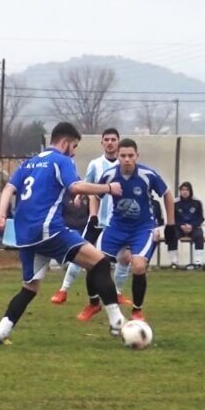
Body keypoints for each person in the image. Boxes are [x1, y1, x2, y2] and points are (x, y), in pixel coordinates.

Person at [0, 122, 126, 346]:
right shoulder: (61, 160)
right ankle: (117, 320)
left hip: (25, 235)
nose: (74, 152)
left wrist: (1, 216)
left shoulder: (29, 163)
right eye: (74, 146)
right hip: (48, 230)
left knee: (29, 288)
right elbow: (75, 186)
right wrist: (108, 188)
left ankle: (0, 333)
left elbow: (8, 189)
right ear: (65, 143)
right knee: (100, 263)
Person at [50, 128, 133, 308]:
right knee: (81, 252)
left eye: (113, 139)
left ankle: (117, 293)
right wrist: (81, 198)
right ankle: (63, 289)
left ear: (118, 142)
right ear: (102, 143)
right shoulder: (96, 164)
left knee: (125, 258)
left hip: (119, 222)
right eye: (106, 139)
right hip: (98, 220)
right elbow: (85, 183)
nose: (110, 143)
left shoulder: (126, 167)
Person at [95, 138, 175, 322]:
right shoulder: (109, 175)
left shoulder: (148, 175)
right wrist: (93, 217)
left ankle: (137, 310)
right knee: (96, 263)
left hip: (142, 228)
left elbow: (167, 194)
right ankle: (98, 304)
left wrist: (171, 224)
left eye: (130, 155)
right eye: (123, 155)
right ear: (117, 156)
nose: (127, 159)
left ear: (137, 156)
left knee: (138, 266)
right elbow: (96, 195)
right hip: (116, 227)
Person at [166, 181, 205, 270]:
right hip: (179, 227)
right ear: (180, 191)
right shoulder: (175, 202)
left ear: (190, 191)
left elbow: (201, 218)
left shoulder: (197, 202)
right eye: (182, 190)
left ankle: (199, 262)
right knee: (172, 233)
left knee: (199, 235)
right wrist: (181, 225)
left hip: (193, 227)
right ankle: (173, 262)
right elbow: (172, 217)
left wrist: (191, 226)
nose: (184, 192)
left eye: (187, 190)